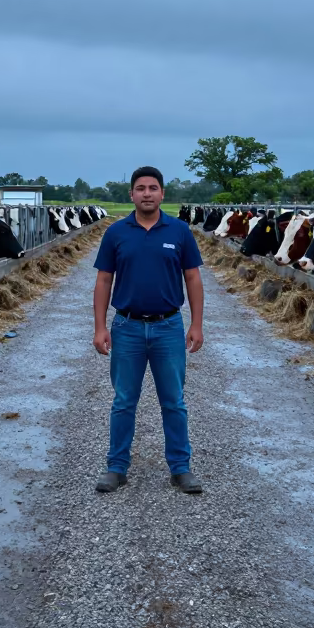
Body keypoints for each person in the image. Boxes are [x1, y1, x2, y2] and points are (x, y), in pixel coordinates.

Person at [92, 166, 205, 494]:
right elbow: (103, 280)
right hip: (126, 327)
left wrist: (196, 324)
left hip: (168, 326)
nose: (146, 194)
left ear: (162, 194)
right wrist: (100, 327)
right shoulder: (116, 232)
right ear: (131, 194)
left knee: (173, 401)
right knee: (124, 400)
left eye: (153, 188)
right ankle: (116, 467)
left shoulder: (180, 231)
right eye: (140, 188)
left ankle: (181, 468)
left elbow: (193, 278)